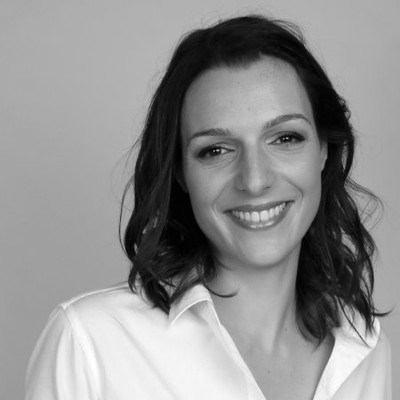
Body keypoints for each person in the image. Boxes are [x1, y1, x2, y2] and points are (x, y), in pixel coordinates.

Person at [25, 15, 391, 400]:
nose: (254, 180)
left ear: (324, 151)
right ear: (181, 173)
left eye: (285, 138)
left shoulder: (366, 353)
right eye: (215, 150)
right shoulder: (90, 345)